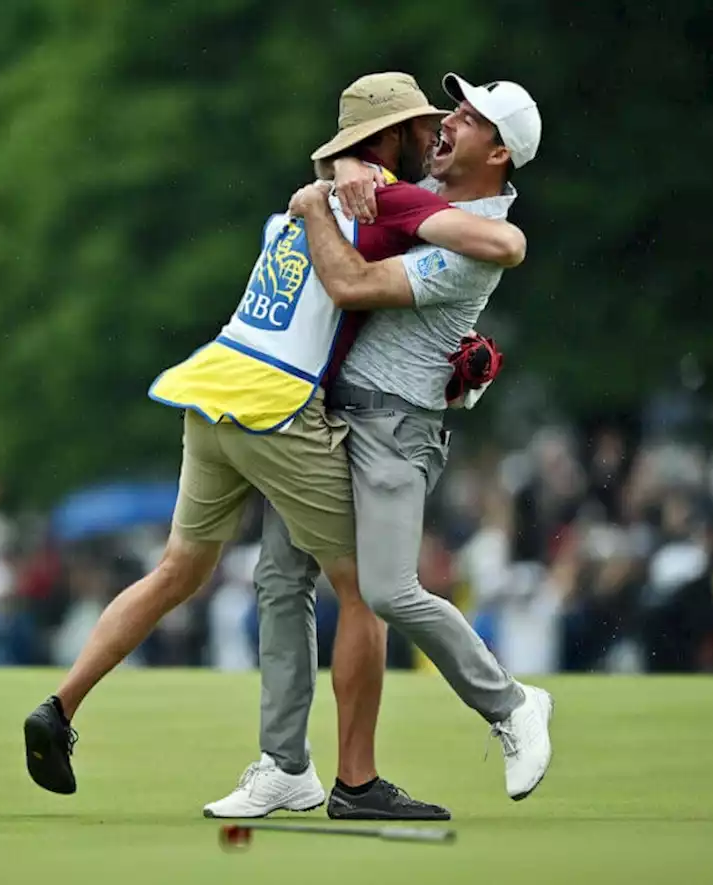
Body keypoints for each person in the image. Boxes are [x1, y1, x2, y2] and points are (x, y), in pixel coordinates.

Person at [22, 72, 527, 797]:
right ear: (386, 141)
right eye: (418, 126)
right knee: (368, 588)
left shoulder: (296, 209)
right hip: (274, 407)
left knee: (179, 571)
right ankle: (354, 778)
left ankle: (59, 705)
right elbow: (492, 241)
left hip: (211, 389)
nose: (432, 134)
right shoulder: (383, 205)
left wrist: (336, 172)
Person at [206, 73, 553, 819]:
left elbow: (353, 283)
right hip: (326, 415)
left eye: (468, 116)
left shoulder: (475, 243)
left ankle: (513, 704)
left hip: (395, 428)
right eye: (452, 108)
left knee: (391, 590)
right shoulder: (407, 193)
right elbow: (350, 176)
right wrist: (341, 171)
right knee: (278, 579)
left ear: (498, 152)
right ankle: (284, 764)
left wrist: (314, 200)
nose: (447, 119)